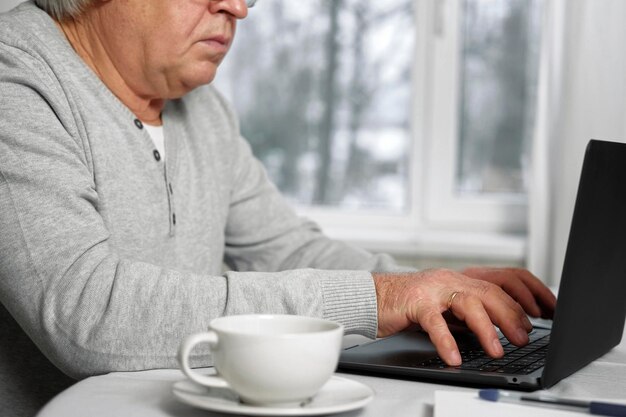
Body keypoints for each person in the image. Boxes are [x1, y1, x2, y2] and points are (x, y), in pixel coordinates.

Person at [0, 0, 556, 415]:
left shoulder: (204, 111)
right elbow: (84, 311)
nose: (238, 8)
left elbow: (286, 248)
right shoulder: (15, 76)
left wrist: (428, 291)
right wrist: (380, 298)